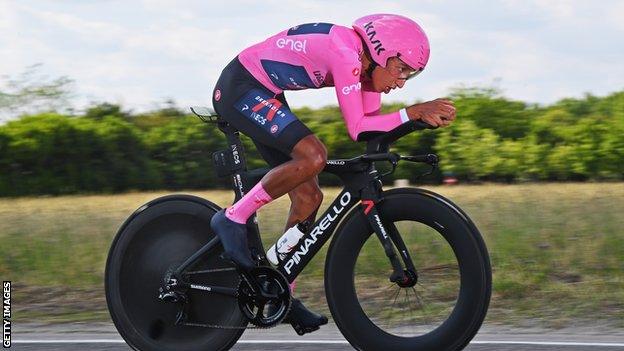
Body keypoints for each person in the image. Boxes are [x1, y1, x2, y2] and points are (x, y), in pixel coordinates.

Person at [210, 13, 457, 334]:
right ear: (381, 51)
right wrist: (412, 112)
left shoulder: (369, 71)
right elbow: (357, 127)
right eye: (401, 70)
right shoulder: (345, 53)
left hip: (265, 91)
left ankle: (279, 292)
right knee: (314, 155)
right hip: (240, 86)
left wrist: (415, 122)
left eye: (410, 76)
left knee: (310, 196)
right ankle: (232, 217)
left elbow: (370, 129)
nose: (400, 82)